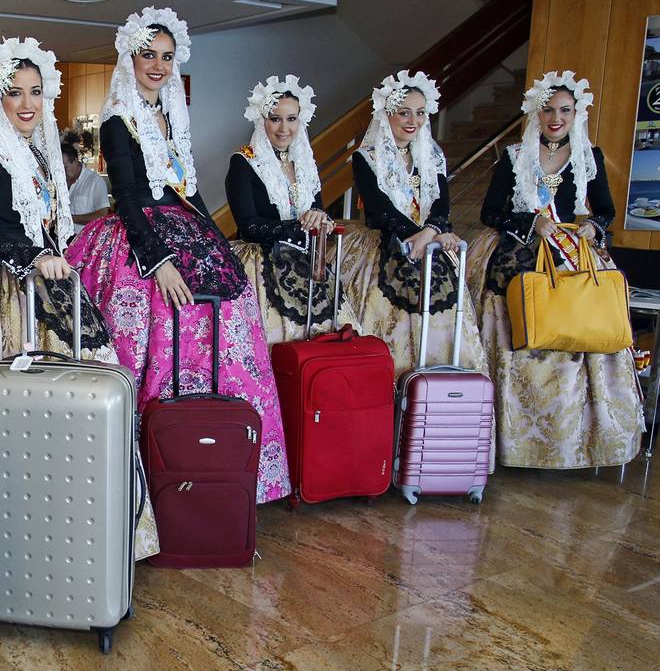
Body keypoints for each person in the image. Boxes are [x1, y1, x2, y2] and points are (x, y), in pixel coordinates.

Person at [0, 37, 158, 561]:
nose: (26, 103)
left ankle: (78, 526)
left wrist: (46, 258)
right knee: (2, 412)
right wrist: (34, 256)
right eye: (14, 92)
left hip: (44, 279)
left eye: (36, 93)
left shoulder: (39, 153)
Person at [66, 8, 290, 504]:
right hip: (140, 236)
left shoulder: (170, 116)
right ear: (130, 58)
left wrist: (217, 242)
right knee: (158, 327)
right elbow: (126, 197)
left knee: (229, 315)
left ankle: (216, 458)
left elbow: (188, 189)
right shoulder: (116, 121)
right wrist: (158, 261)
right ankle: (157, 471)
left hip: (182, 223)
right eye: (149, 54)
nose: (159, 65)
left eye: (167, 57)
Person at [472, 71, 643, 468]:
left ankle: (573, 441)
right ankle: (513, 439)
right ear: (536, 111)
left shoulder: (589, 156)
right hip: (520, 252)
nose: (556, 118)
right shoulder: (514, 157)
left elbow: (606, 212)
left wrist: (591, 226)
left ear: (575, 114)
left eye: (565, 110)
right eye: (548, 109)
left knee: (583, 321)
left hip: (571, 251)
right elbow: (489, 212)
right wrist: (532, 222)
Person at [347, 70, 489, 380]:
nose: (413, 120)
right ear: (388, 114)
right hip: (384, 245)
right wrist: (420, 234)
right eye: (404, 112)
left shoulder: (432, 154)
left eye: (420, 113)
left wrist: (432, 230)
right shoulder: (366, 157)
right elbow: (379, 209)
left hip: (432, 245)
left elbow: (442, 201)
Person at [226, 75, 344, 345]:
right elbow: (248, 226)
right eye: (275, 118)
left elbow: (319, 210)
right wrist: (299, 225)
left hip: (306, 262)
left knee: (323, 342)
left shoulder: (304, 162)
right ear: (261, 120)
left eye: (291, 119)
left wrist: (320, 218)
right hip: (260, 264)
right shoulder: (243, 162)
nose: (283, 128)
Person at [62, 141, 109, 235]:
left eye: (65, 167)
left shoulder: (95, 182)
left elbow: (102, 215)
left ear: (75, 161)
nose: (62, 172)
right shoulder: (60, 182)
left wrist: (70, 218)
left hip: (85, 241)